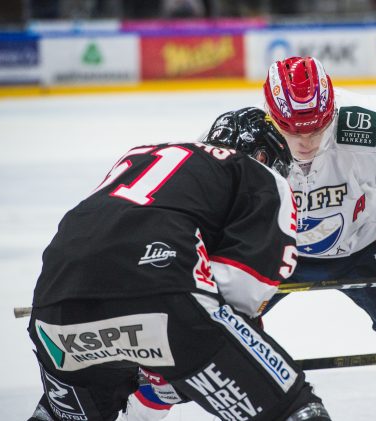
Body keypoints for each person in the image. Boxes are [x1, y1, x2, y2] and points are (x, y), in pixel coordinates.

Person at [120, 57, 376, 421]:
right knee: (186, 342)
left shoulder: (366, 124)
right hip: (271, 251)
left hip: (370, 244)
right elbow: (204, 217)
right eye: (291, 129)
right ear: (270, 113)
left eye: (317, 126)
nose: (306, 142)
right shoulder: (244, 140)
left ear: (331, 106)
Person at [26, 107, 332, 421]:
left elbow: (99, 239)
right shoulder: (260, 176)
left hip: (54, 311)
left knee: (57, 415)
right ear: (267, 158)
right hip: (163, 303)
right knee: (295, 410)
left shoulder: (141, 155)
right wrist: (179, 372)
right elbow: (242, 289)